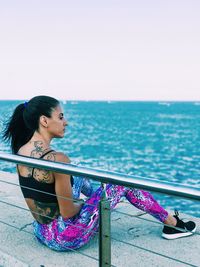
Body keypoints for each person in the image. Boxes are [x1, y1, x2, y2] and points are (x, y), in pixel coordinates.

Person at [2, 95, 196, 251]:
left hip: (42, 231)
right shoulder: (58, 159)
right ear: (44, 121)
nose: (65, 122)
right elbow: (67, 212)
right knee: (121, 182)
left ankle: (104, 201)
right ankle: (173, 224)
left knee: (76, 173)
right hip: (64, 237)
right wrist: (84, 203)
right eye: (60, 117)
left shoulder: (22, 151)